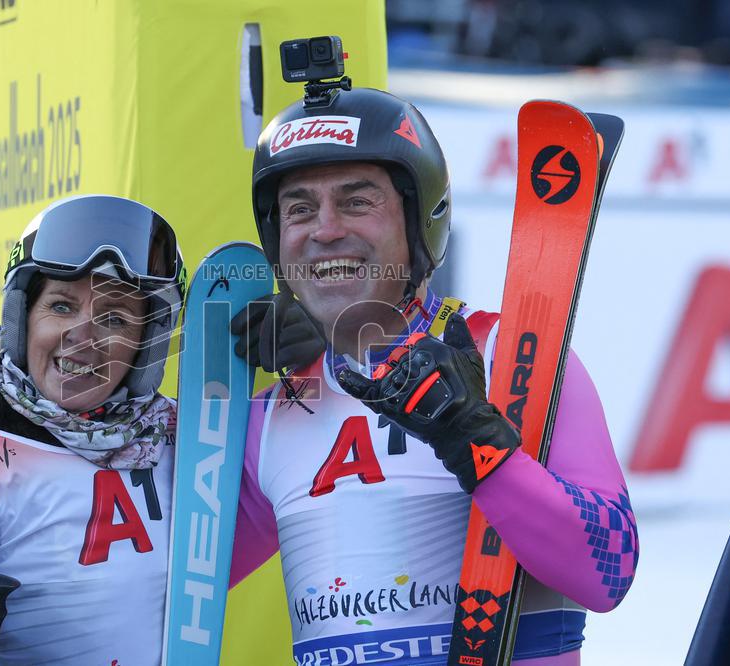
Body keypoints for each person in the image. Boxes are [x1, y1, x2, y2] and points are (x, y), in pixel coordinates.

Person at [229, 87, 638, 665]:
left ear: (422, 223)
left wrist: (482, 449)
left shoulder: (514, 358)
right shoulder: (274, 413)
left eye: (356, 202)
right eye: (299, 208)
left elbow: (608, 571)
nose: (323, 230)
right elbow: (153, 592)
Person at [0, 195, 185, 665]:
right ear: (21, 320)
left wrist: (305, 360)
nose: (82, 333)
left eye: (114, 318)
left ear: (145, 346)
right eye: (61, 306)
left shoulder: (183, 445)